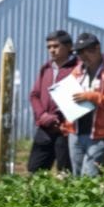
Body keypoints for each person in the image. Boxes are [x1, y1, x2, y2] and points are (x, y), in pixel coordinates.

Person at [61, 33, 104, 177]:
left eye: (86, 51)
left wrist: (93, 97)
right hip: (75, 132)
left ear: (98, 48)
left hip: (98, 134)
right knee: (77, 176)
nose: (83, 56)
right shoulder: (77, 71)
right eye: (79, 52)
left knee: (90, 176)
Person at [27, 30, 77, 174]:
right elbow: (34, 95)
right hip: (45, 127)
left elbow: (79, 98)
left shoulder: (78, 68)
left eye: (56, 46)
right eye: (49, 47)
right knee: (34, 169)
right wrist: (43, 116)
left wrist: (60, 118)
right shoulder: (46, 68)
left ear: (68, 47)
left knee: (65, 172)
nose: (52, 50)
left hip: (65, 130)